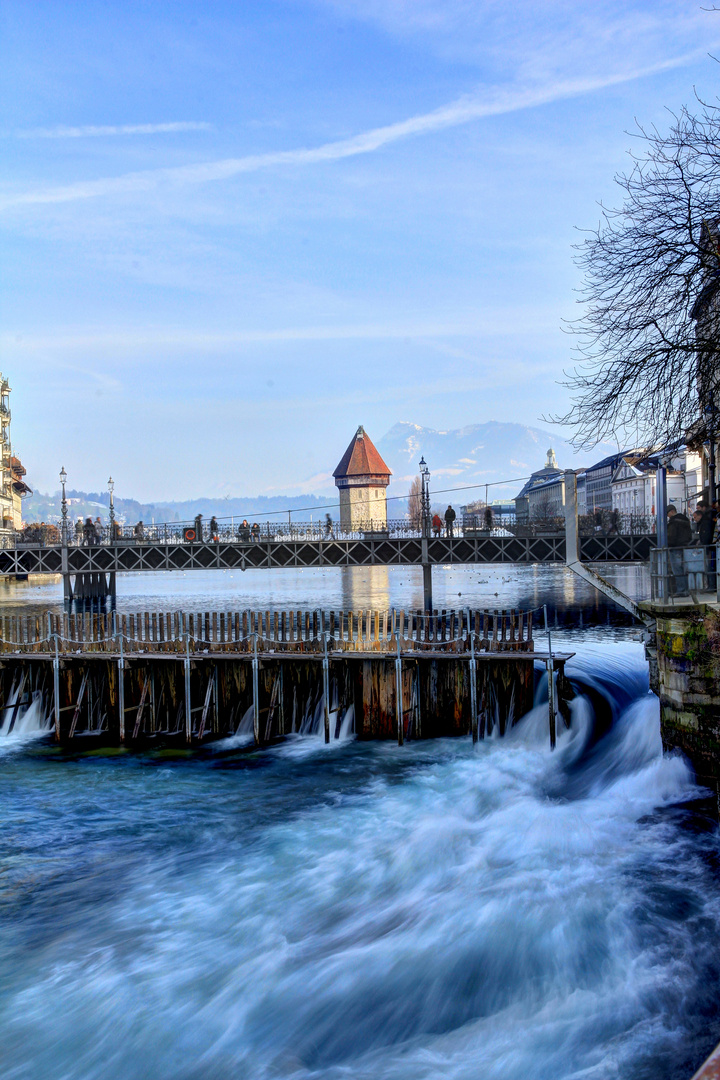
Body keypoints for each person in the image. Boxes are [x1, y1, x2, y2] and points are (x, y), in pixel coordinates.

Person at [667, 504, 692, 596]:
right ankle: (686, 590)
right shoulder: (685, 520)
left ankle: (681, 590)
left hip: (675, 547)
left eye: (668, 513)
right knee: (684, 569)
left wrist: (668, 544)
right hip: (685, 546)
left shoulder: (674, 522)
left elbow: (671, 536)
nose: (667, 516)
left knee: (677, 569)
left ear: (672, 511)